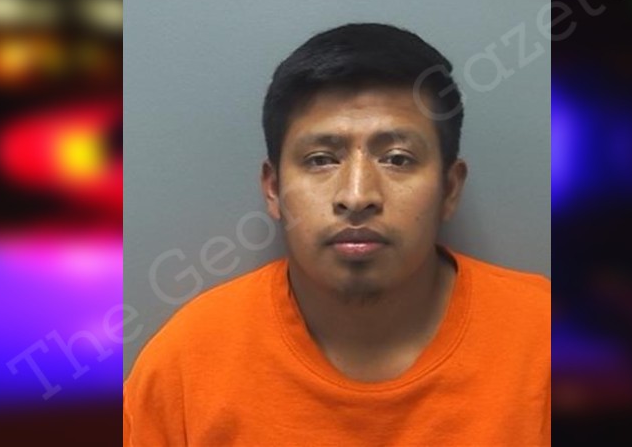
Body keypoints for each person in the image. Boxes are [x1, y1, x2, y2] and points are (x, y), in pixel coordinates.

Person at [123, 23, 550, 446]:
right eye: (321, 159)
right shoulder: (185, 367)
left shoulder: (547, 344)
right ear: (273, 189)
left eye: (397, 158)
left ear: (449, 189)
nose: (357, 196)